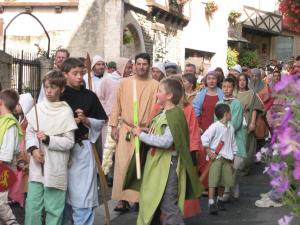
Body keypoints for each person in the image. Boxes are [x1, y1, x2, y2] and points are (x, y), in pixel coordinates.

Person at [127, 78, 201, 225]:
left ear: (169, 96)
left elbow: (166, 142)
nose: (156, 94)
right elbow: (159, 132)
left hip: (167, 165)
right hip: (156, 163)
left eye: (160, 91)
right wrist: (144, 130)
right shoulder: (163, 113)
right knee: (151, 199)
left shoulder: (175, 115)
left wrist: (141, 135)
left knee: (168, 203)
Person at [25, 70, 77, 225]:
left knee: (54, 211)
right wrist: (33, 150)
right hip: (37, 167)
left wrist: (48, 139)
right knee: (32, 208)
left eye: (53, 87)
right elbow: (29, 134)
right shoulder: (37, 109)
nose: (48, 91)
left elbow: (69, 142)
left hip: (55, 168)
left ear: (61, 89)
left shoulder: (66, 111)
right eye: (46, 87)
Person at [109, 53, 159, 212]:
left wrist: (150, 128)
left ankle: (139, 198)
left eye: (145, 64)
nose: (141, 67)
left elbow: (158, 108)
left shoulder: (156, 85)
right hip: (127, 129)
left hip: (145, 130)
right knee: (123, 164)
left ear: (149, 65)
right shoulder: (123, 83)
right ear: (134, 65)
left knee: (142, 165)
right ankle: (123, 199)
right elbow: (116, 105)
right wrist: (114, 127)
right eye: (139, 64)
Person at [60, 58, 107, 225]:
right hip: (61, 152)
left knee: (83, 197)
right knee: (63, 197)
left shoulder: (90, 96)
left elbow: (101, 120)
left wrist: (87, 121)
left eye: (82, 73)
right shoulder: (58, 95)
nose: (80, 77)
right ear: (65, 75)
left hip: (83, 151)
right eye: (75, 74)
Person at [201, 103, 237, 215]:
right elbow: (204, 138)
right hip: (216, 158)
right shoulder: (215, 126)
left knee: (224, 181)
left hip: (227, 158)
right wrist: (209, 151)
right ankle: (211, 202)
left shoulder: (231, 127)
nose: (231, 114)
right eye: (230, 112)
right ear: (226, 114)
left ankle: (220, 200)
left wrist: (233, 158)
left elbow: (233, 143)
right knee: (213, 181)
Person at [100, 58, 131, 179]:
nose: (130, 70)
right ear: (121, 67)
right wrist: (108, 112)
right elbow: (100, 97)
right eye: (128, 67)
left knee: (122, 149)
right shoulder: (107, 80)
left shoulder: (129, 81)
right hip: (110, 118)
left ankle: (119, 176)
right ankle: (107, 175)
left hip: (124, 119)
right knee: (108, 149)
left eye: (130, 67)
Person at [192, 71, 224, 189]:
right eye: (209, 78)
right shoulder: (201, 95)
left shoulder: (222, 94)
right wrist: (199, 126)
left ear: (217, 80)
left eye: (213, 79)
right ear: (206, 81)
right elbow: (196, 111)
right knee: (203, 155)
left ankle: (215, 185)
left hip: (218, 129)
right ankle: (204, 184)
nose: (211, 81)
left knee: (217, 155)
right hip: (204, 129)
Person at [217, 78, 246, 200]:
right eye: (224, 86)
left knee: (235, 165)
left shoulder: (236, 103)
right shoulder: (219, 103)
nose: (226, 89)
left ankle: (234, 184)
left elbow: (236, 122)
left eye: (229, 87)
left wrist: (225, 129)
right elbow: (216, 120)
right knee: (225, 165)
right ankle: (226, 191)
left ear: (233, 88)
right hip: (222, 139)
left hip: (235, 138)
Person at [0, 88, 23, 225]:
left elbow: (6, 153)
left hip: (4, 168)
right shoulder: (3, 121)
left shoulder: (9, 124)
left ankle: (13, 222)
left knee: (0, 203)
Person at [234, 73, 264, 176]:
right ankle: (236, 166)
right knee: (237, 144)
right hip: (235, 122)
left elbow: (255, 108)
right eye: (240, 80)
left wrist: (252, 123)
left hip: (247, 119)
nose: (242, 82)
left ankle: (245, 167)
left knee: (248, 144)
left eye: (244, 80)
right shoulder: (234, 93)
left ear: (247, 82)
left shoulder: (251, 93)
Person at [9, 93, 34, 207]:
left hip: (25, 149)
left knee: (23, 173)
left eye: (19, 104)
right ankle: (17, 197)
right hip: (21, 147)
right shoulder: (21, 118)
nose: (16, 106)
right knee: (19, 172)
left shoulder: (28, 119)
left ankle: (22, 197)